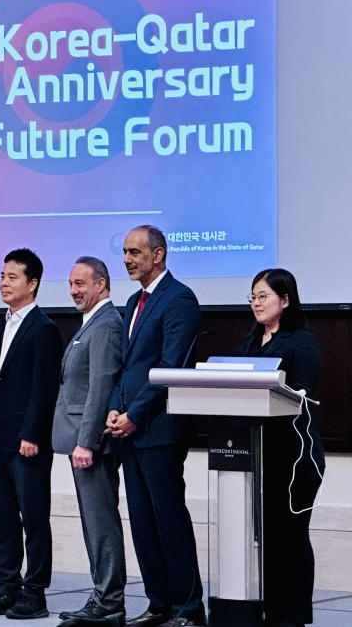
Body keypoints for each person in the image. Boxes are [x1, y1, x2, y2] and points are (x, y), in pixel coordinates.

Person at [106, 225, 204, 627]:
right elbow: (128, 365)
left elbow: (171, 367)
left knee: (168, 517)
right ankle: (159, 603)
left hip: (159, 428)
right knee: (143, 521)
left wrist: (135, 415)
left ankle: (188, 607)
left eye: (134, 252)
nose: (127, 259)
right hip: (130, 427)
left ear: (158, 255)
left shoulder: (179, 299)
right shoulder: (134, 300)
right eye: (125, 252)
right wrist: (115, 409)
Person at [0, 248, 61, 620]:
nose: (4, 283)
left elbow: (44, 387)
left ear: (33, 283)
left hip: (27, 441)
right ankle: (7, 585)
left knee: (34, 518)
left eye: (12, 277)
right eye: (2, 276)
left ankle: (35, 592)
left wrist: (32, 433)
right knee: (2, 517)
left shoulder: (44, 328)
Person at [237, 268, 324, 627]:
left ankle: (293, 616)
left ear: (285, 300)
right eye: (253, 297)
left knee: (291, 536)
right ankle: (271, 611)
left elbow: (300, 393)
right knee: (265, 539)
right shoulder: (247, 343)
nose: (256, 303)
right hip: (255, 454)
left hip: (293, 457)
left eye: (264, 297)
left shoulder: (301, 342)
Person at [53, 257, 126, 626]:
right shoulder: (92, 323)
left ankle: (109, 600)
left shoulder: (107, 324)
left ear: (101, 284)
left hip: (90, 444)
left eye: (81, 283)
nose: (74, 290)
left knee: (100, 523)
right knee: (92, 523)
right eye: (70, 283)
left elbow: (101, 386)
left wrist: (87, 441)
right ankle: (102, 595)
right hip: (80, 441)